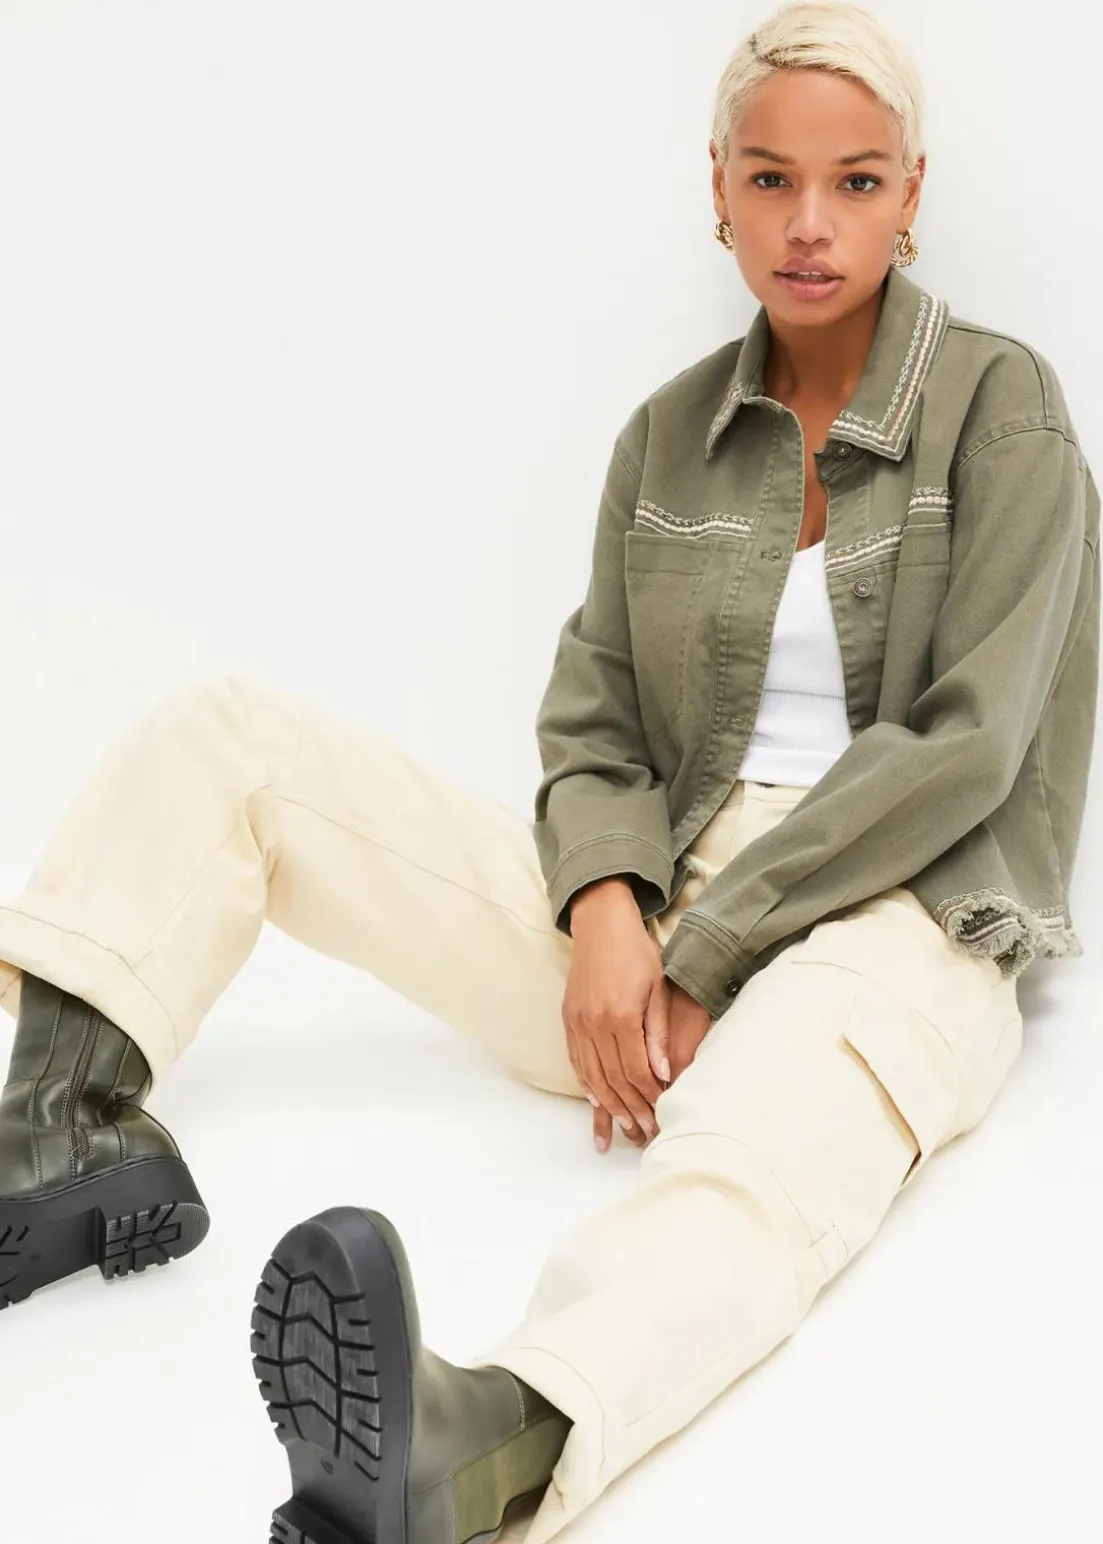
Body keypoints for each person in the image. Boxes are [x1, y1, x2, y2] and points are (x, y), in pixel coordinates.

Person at [0, 3, 1097, 1542]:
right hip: (663, 895)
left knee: (753, 1159)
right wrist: (604, 907)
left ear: (910, 192)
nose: (808, 222)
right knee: (231, 740)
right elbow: (593, 712)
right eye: (770, 179)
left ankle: (482, 1446)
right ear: (715, 188)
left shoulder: (1000, 408)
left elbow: (966, 745)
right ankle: (60, 1123)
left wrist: (713, 949)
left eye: (854, 182)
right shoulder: (669, 437)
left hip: (898, 911)